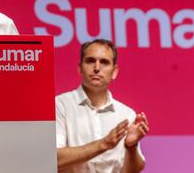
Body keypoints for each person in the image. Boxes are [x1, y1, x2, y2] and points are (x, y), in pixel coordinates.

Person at [56, 39, 149, 173]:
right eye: (90, 61)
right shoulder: (60, 105)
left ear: (114, 71)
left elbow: (132, 171)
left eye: (104, 62)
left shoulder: (127, 114)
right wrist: (103, 144)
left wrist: (131, 147)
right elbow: (54, 159)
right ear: (79, 68)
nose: (97, 68)